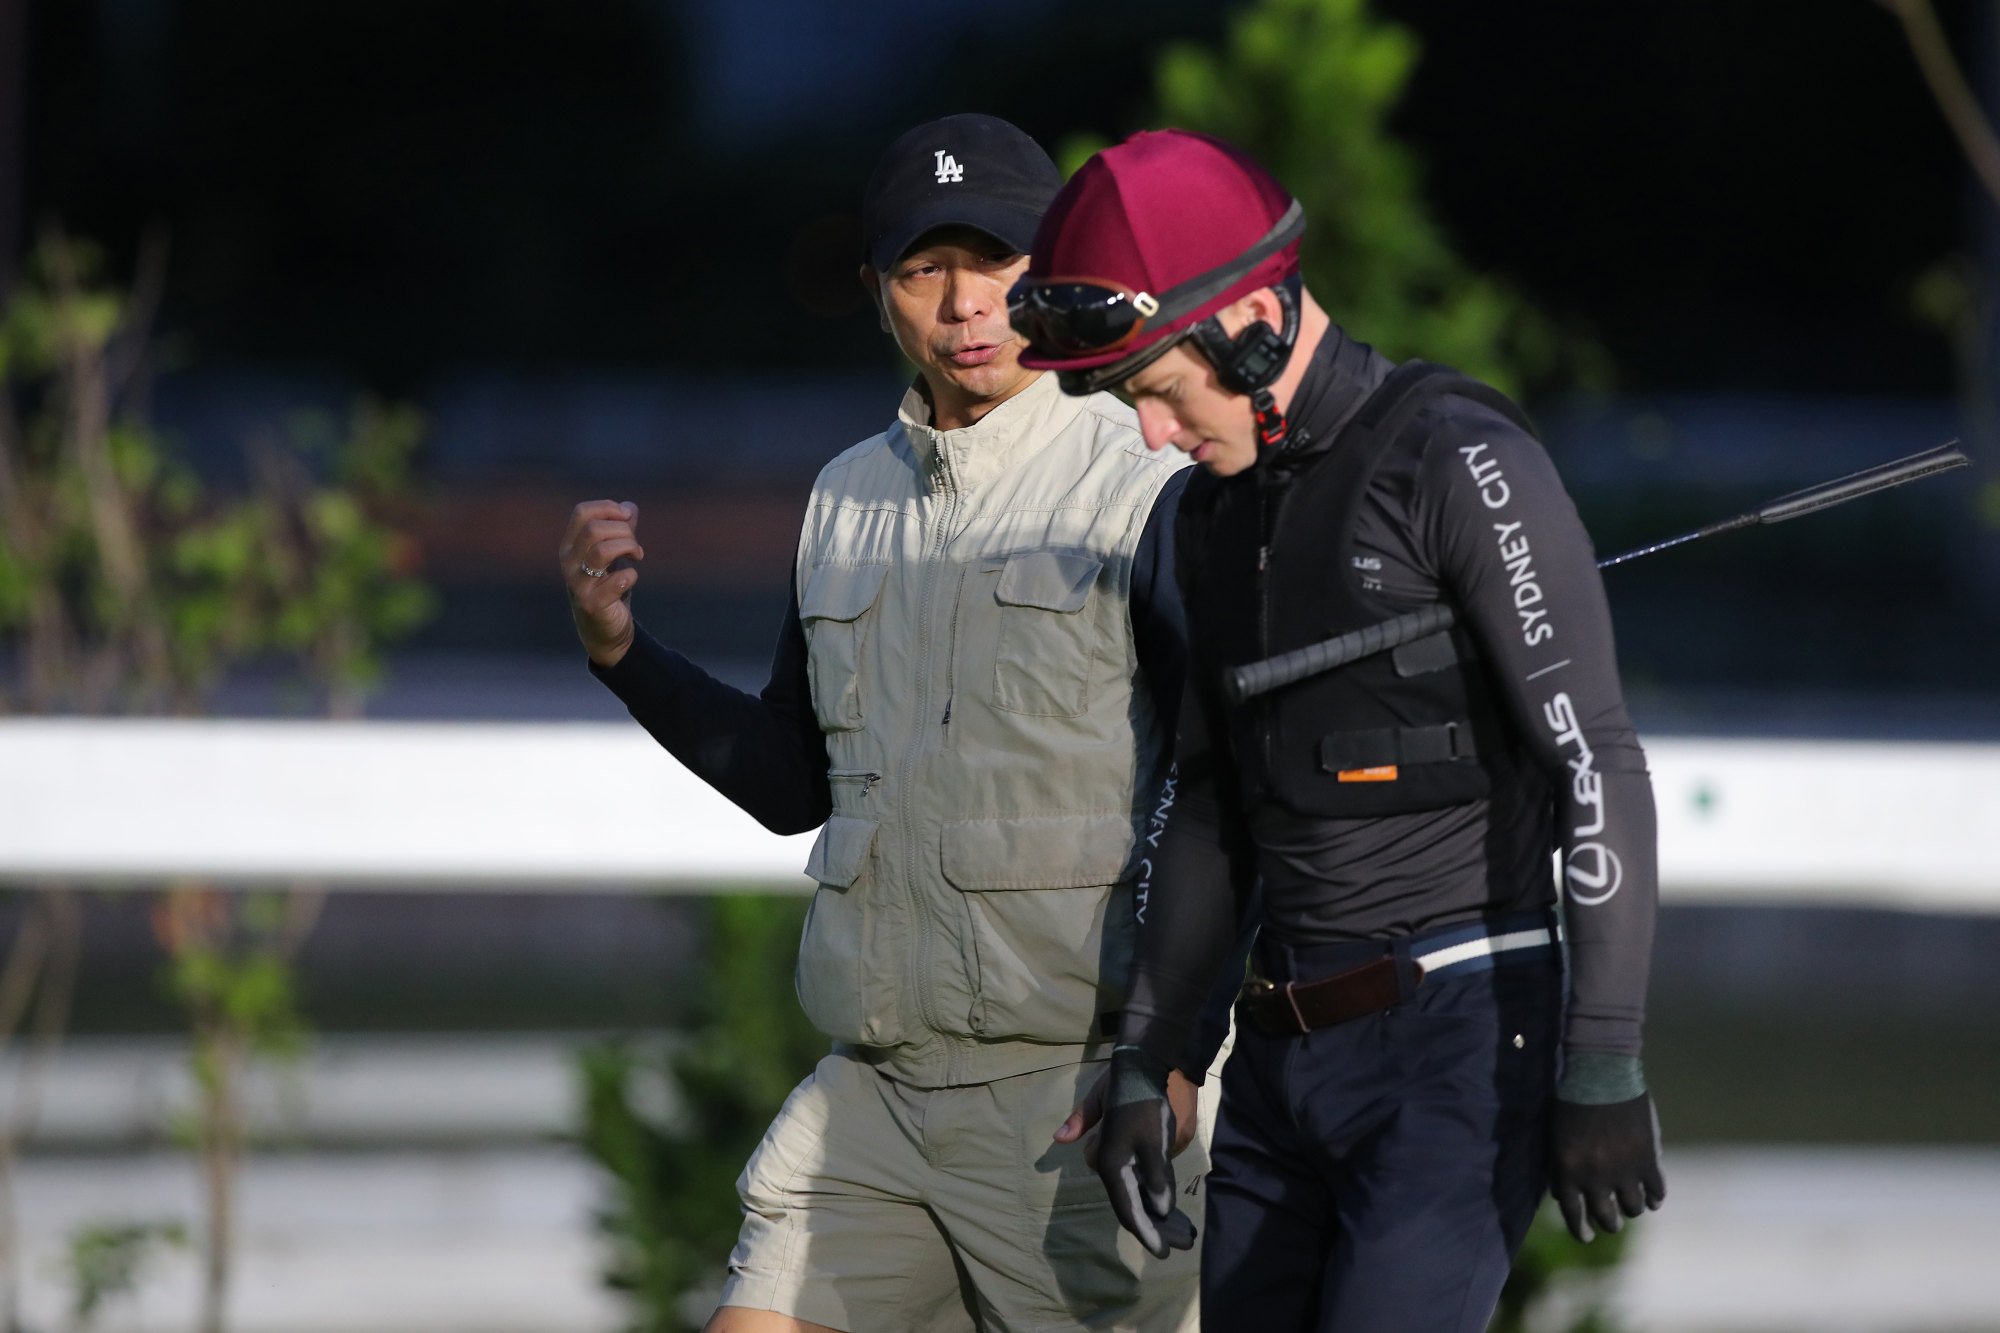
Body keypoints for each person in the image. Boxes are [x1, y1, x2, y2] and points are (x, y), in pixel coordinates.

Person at [559, 114, 1240, 1333]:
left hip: (1082, 1103)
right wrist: (622, 654)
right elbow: (791, 781)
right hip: (872, 1105)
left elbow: (1225, 789)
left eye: (998, 261)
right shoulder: (842, 499)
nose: (964, 302)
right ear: (879, 292)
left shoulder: (1148, 481)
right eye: (926, 269)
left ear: (1055, 273)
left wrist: (1177, 1052)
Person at [1007, 129, 1667, 1331]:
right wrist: (1151, 1055)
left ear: (1254, 319)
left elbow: (1596, 760)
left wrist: (1604, 1058)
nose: (1150, 432)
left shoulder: (1458, 458)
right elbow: (1211, 800)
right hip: (1274, 1064)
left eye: (1159, 389)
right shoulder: (1202, 519)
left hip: (1454, 1056)